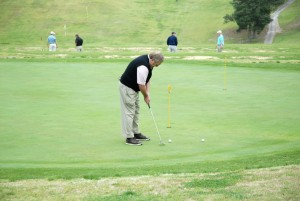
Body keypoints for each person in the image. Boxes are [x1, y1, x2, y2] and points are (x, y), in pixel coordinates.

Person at [119, 51, 164, 145]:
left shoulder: (149, 64)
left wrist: (148, 93)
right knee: (129, 112)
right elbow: (141, 85)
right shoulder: (143, 67)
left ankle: (136, 133)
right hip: (127, 87)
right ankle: (129, 137)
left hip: (133, 88)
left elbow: (147, 79)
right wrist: (146, 96)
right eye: (156, 64)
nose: (156, 66)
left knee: (136, 110)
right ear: (151, 59)